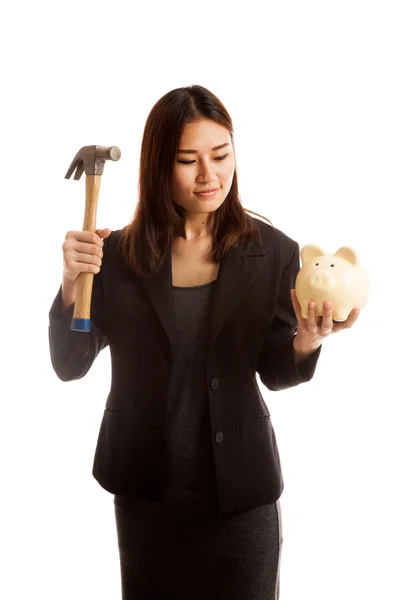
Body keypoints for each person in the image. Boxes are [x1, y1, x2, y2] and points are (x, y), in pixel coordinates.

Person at [48, 85, 360, 600]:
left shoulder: (274, 251)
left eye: (221, 155)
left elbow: (276, 370)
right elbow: (69, 363)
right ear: (157, 166)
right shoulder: (116, 256)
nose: (209, 175)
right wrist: (70, 281)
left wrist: (305, 341)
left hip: (240, 495)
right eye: (188, 160)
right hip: (147, 494)